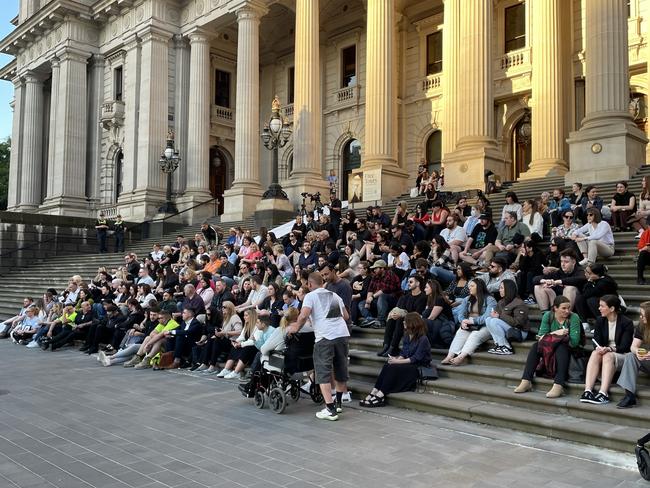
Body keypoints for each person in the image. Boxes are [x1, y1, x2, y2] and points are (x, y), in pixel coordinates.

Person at [286, 272, 350, 421]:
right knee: (340, 369)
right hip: (341, 335)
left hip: (325, 337)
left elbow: (303, 315)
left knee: (322, 372)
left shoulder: (310, 296)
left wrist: (295, 328)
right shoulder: (334, 295)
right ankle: (338, 403)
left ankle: (330, 408)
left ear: (309, 284)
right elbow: (346, 316)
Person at [514, 295, 582, 398]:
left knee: (561, 346)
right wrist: (557, 333)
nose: (567, 311)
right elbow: (540, 338)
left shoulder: (574, 317)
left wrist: (552, 339)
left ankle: (559, 385)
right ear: (555, 308)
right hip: (550, 349)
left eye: (568, 308)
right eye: (563, 308)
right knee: (535, 346)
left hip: (570, 350)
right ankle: (526, 380)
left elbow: (574, 342)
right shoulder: (548, 316)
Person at [359, 313, 432, 408]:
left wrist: (398, 362)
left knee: (394, 367)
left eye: (405, 321)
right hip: (409, 363)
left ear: (412, 323)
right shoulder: (407, 335)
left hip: (418, 366)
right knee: (388, 365)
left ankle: (381, 394)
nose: (403, 322)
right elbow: (404, 353)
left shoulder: (423, 339)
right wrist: (396, 359)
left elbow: (416, 358)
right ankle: (375, 391)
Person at [580, 295, 634, 405]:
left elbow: (625, 346)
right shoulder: (600, 320)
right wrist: (599, 348)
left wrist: (609, 349)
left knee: (608, 355)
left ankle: (603, 393)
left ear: (612, 309)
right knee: (595, 353)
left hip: (622, 355)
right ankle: (588, 391)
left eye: (602, 306)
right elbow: (596, 341)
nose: (599, 308)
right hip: (605, 354)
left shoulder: (626, 322)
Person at [441, 278, 497, 366]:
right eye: (469, 286)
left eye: (472, 286)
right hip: (471, 324)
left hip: (485, 326)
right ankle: (449, 356)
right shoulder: (467, 299)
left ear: (479, 287)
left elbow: (487, 317)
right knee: (460, 332)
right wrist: (463, 321)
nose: (469, 288)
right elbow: (461, 314)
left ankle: (461, 357)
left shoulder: (490, 300)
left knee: (474, 335)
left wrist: (472, 321)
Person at [377, 275, 427, 357]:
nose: (408, 284)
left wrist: (402, 315)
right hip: (404, 319)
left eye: (411, 282)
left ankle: (393, 347)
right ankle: (386, 345)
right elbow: (399, 309)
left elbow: (417, 314)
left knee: (401, 320)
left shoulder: (423, 297)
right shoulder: (405, 296)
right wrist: (395, 314)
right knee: (392, 319)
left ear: (418, 283)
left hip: (415, 320)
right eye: (408, 282)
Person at [616, 301, 650, 408]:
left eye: (643, 315)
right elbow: (633, 347)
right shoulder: (642, 325)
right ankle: (630, 396)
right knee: (631, 356)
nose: (640, 317)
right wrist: (637, 352)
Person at [484, 279, 529, 355]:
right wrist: (494, 315)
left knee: (494, 321)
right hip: (507, 329)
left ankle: (506, 347)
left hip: (519, 332)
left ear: (508, 289)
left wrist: (499, 316)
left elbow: (518, 323)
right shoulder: (501, 302)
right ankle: (499, 345)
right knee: (488, 319)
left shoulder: (519, 303)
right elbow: (497, 317)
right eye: (499, 288)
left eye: (501, 288)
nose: (499, 290)